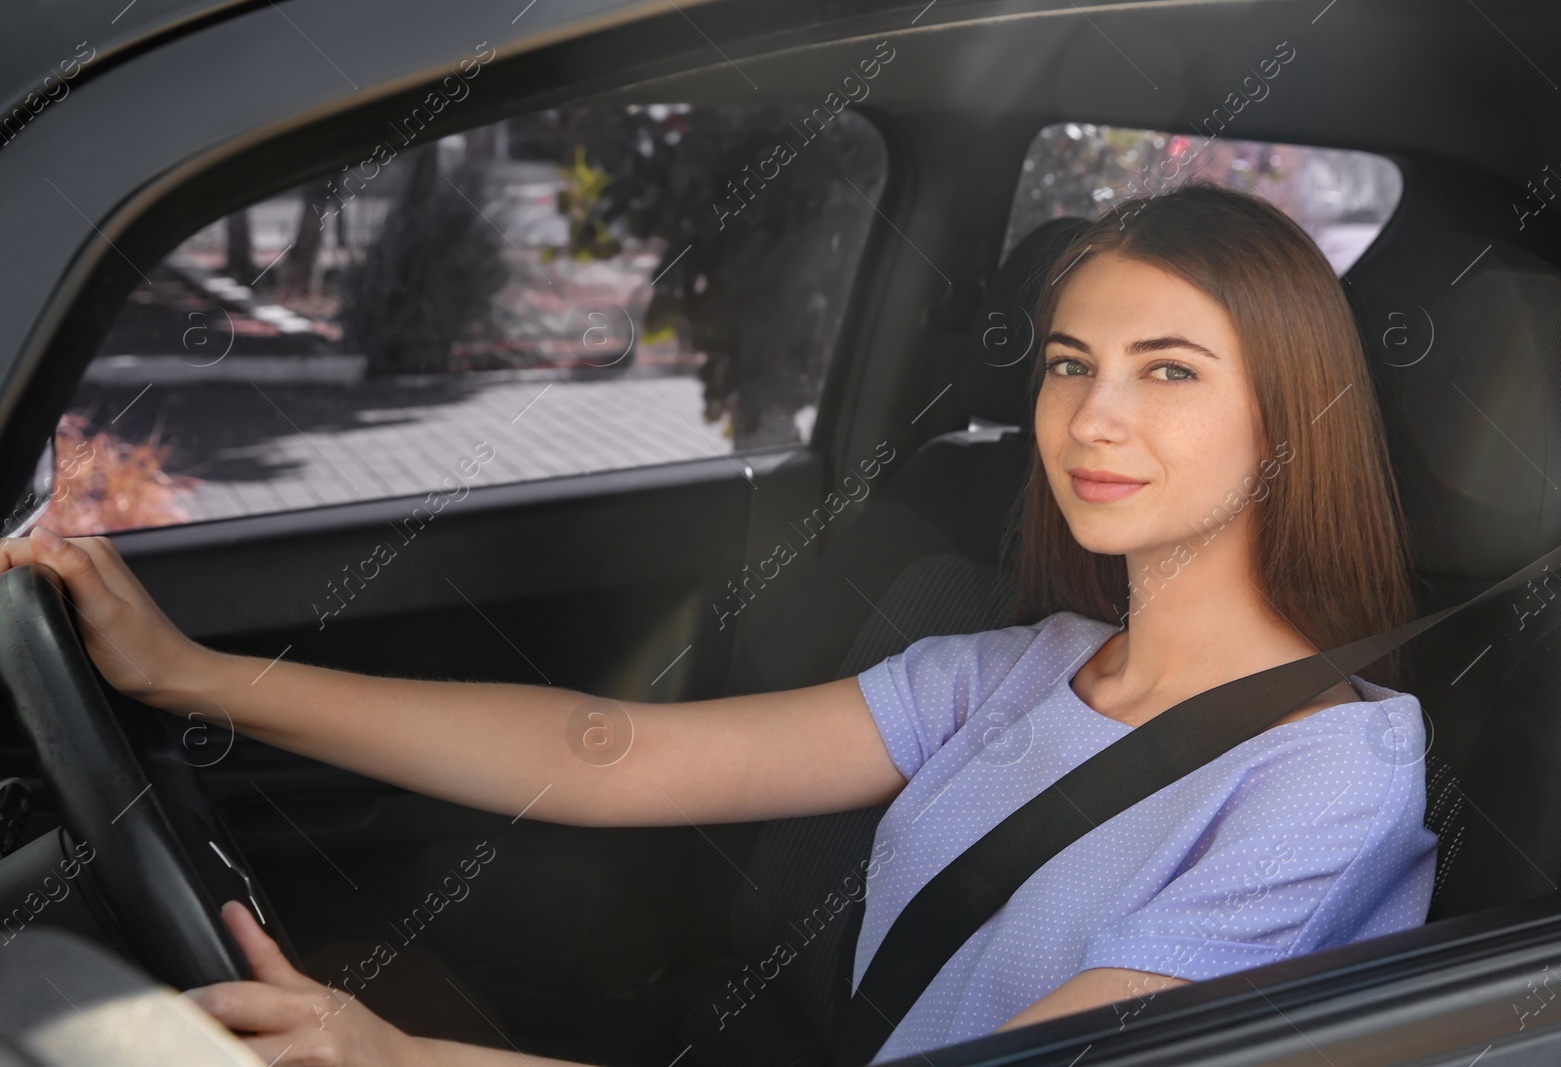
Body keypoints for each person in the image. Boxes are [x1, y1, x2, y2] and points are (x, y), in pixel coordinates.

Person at [0, 182, 1438, 1067]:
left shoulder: (1328, 780)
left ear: (1288, 418)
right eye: (1071, 363)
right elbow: (609, 750)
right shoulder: (1024, 670)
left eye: (1169, 370)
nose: (1093, 417)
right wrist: (192, 673)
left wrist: (411, 1062)